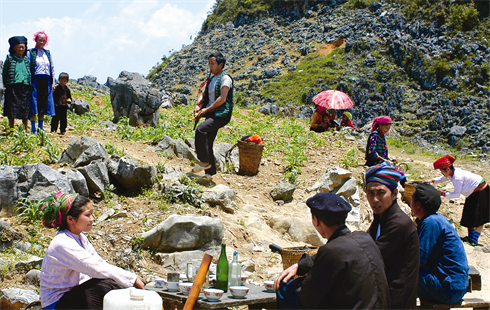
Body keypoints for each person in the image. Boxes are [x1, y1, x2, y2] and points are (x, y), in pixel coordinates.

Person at [274, 192, 391, 310]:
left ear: (317, 221)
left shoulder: (332, 250)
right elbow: (331, 255)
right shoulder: (365, 238)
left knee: (285, 289)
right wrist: (300, 265)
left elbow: (308, 297)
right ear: (345, 216)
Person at [40, 192, 145, 310]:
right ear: (70, 219)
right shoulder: (62, 243)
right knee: (104, 286)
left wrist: (126, 281)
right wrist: (132, 279)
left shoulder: (80, 238)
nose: (92, 219)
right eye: (87, 215)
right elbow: (95, 268)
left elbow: (99, 263)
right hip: (56, 304)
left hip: (71, 296)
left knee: (108, 282)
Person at [365, 162, 419, 310]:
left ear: (394, 194)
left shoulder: (398, 223)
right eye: (370, 193)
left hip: (396, 299)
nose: (375, 199)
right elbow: (364, 243)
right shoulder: (380, 218)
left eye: (381, 193)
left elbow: (370, 254)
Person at [410, 183, 469, 304]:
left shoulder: (430, 223)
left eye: (411, 200)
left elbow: (419, 258)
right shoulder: (436, 219)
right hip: (456, 285)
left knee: (402, 276)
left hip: (449, 288)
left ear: (418, 205)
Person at [428, 154, 490, 246]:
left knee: (478, 216)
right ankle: (470, 237)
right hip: (472, 192)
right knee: (469, 213)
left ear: (448, 169)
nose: (442, 173)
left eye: (442, 171)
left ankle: (474, 239)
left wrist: (442, 193)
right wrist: (432, 181)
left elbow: (456, 194)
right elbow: (443, 178)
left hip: (481, 191)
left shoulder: (457, 177)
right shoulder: (452, 173)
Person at [192, 51, 233, 181]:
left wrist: (206, 110)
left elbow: (222, 98)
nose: (210, 66)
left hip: (221, 114)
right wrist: (198, 106)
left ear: (221, 64)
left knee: (201, 130)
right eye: (209, 63)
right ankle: (209, 174)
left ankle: (204, 161)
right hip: (211, 113)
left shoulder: (225, 79)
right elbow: (202, 93)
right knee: (207, 141)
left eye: (213, 64)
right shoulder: (211, 78)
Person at [27, 30, 55, 134]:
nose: (41, 42)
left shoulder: (47, 53)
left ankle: (41, 127)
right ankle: (33, 128)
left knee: (43, 103)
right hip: (35, 80)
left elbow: (51, 67)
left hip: (46, 80)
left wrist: (53, 82)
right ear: (36, 40)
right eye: (40, 40)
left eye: (43, 40)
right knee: (34, 103)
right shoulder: (31, 52)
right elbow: (28, 67)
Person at [2, 36, 31, 133]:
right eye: (19, 47)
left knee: (25, 109)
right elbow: (5, 73)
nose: (21, 49)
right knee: (12, 109)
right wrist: (7, 85)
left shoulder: (26, 60)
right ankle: (11, 129)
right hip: (13, 86)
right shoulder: (10, 59)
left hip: (25, 87)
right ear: (14, 48)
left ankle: (25, 129)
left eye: (23, 47)